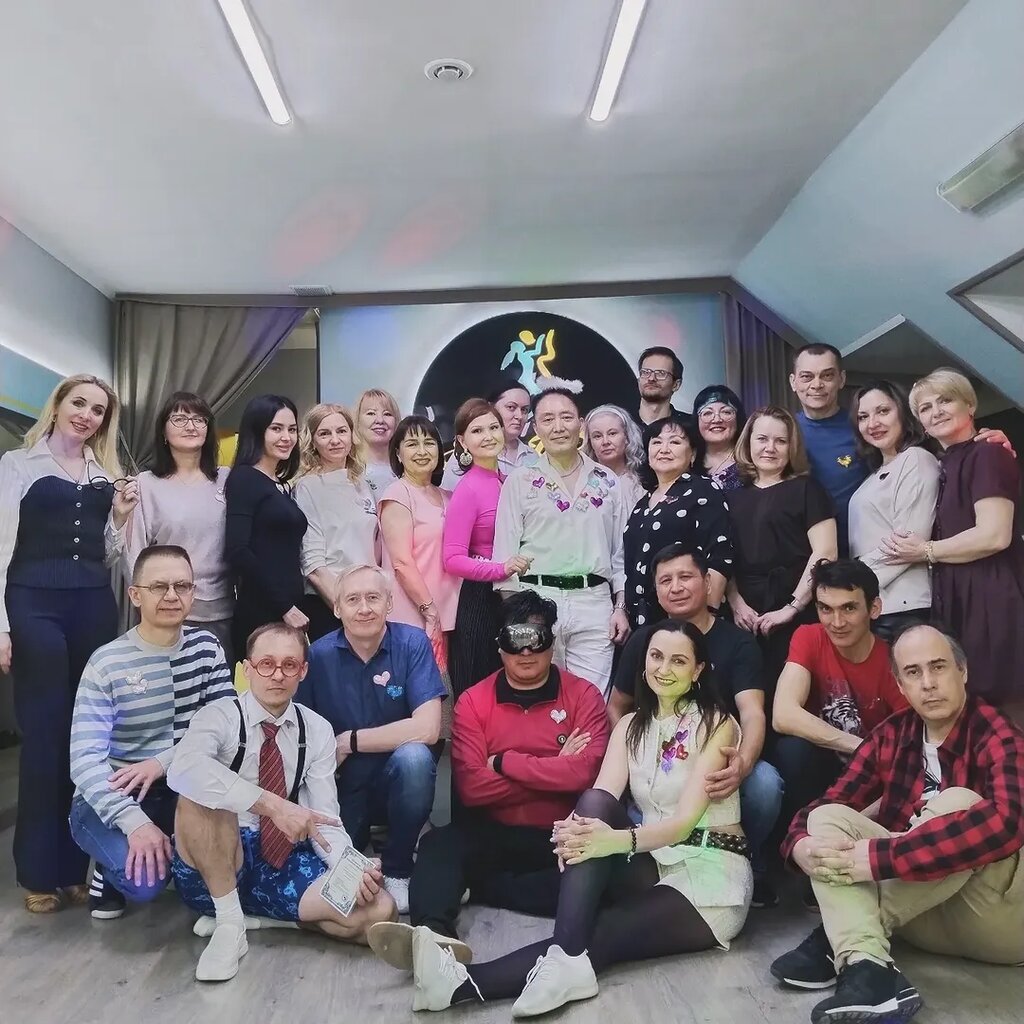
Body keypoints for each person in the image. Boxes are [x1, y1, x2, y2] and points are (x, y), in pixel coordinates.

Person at [397, 621, 751, 1015]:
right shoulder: (630, 726)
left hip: (708, 875)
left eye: (678, 661)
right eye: (656, 656)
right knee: (593, 805)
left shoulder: (717, 724)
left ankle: (458, 983)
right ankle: (558, 961)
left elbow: (684, 823)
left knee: (600, 934)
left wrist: (611, 841)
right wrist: (576, 833)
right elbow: (600, 796)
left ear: (698, 670)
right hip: (654, 863)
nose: (663, 668)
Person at [772, 624, 1024, 1024]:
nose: (928, 683)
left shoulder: (998, 734)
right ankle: (868, 967)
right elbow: (830, 801)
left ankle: (840, 937)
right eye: (913, 672)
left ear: (962, 672)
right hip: (920, 913)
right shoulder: (891, 734)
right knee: (825, 818)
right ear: (901, 686)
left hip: (995, 916)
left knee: (957, 801)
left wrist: (880, 859)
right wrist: (799, 844)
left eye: (938, 667)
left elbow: (1009, 822)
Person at [366, 590, 610, 968]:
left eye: (537, 639)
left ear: (552, 642)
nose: (526, 651)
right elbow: (473, 788)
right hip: (493, 832)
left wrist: (505, 763)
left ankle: (481, 888)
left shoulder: (584, 696)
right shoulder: (473, 701)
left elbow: (585, 775)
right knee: (438, 847)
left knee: (604, 880)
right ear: (499, 645)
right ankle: (432, 937)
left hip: (562, 836)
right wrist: (553, 768)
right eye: (515, 640)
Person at [168, 622, 397, 981]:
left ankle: (258, 920)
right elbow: (182, 770)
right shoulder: (219, 716)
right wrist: (273, 806)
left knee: (379, 910)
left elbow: (325, 820)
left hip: (280, 857)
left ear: (303, 671)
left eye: (289, 665)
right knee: (202, 796)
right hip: (216, 863)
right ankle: (229, 924)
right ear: (247, 670)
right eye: (266, 664)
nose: (277, 675)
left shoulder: (316, 730)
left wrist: (351, 868)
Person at [0, 373, 139, 912]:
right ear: (57, 406)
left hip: (91, 606)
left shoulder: (104, 475)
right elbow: (2, 546)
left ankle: (74, 866)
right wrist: (1, 625)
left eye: (97, 410)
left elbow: (107, 555)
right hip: (32, 603)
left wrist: (120, 519)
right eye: (78, 403)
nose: (86, 415)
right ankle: (39, 871)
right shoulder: (19, 464)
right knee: (44, 735)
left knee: (87, 737)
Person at [609, 542, 782, 908]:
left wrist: (743, 763)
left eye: (685, 577)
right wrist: (632, 758)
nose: (676, 587)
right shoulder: (644, 641)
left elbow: (752, 713)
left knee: (765, 784)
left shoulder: (737, 643)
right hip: (660, 766)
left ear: (707, 582)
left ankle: (744, 861)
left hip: (716, 764)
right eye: (665, 580)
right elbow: (617, 706)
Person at [69, 545, 234, 919]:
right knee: (145, 884)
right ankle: (108, 870)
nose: (172, 596)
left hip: (180, 785)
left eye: (182, 586)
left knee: (228, 858)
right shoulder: (107, 663)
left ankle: (171, 845)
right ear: (135, 595)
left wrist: (161, 762)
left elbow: (225, 727)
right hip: (114, 793)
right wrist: (134, 822)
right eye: (159, 586)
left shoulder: (207, 648)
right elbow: (84, 761)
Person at [298, 564, 446, 914]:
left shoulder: (412, 643)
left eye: (373, 598)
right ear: (337, 608)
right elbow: (302, 731)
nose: (364, 608)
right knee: (336, 878)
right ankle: (363, 853)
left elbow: (428, 728)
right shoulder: (317, 656)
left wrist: (350, 740)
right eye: (352, 600)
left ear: (389, 603)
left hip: (397, 778)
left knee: (415, 758)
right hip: (341, 784)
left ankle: (398, 869)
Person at [885, 368, 1024, 722]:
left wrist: (925, 551)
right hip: (960, 594)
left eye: (945, 400)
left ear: (970, 405)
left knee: (1005, 707)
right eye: (925, 407)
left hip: (993, 595)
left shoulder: (988, 454)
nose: (936, 411)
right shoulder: (945, 462)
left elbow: (994, 535)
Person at [492, 385, 629, 692]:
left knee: (591, 699)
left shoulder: (607, 481)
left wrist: (620, 606)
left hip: (593, 603)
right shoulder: (520, 480)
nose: (558, 427)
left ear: (580, 424)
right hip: (536, 600)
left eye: (566, 417)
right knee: (540, 698)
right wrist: (517, 615)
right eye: (547, 419)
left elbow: (620, 553)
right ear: (535, 428)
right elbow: (504, 554)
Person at [773, 559, 908, 834]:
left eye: (848, 608)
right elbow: (783, 715)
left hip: (873, 778)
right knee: (792, 751)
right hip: (826, 765)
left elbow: (909, 755)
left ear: (874, 608)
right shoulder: (809, 637)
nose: (836, 623)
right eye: (826, 609)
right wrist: (861, 747)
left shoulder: (895, 664)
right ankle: (800, 835)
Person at [726, 406, 837, 700]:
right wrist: (736, 603)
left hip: (797, 613)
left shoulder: (808, 489)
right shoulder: (731, 497)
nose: (770, 448)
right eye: (762, 439)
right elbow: (724, 558)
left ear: (792, 447)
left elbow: (825, 552)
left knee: (796, 701)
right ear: (748, 442)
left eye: (781, 441)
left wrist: (792, 607)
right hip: (744, 618)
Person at [126, 392, 234, 663]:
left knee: (217, 686)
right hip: (165, 610)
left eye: (199, 419)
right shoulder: (145, 484)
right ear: (163, 431)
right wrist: (145, 604)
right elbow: (134, 552)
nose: (191, 426)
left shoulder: (227, 479)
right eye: (179, 419)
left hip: (220, 612)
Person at [442, 399, 531, 699]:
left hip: (511, 594)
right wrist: (500, 569)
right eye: (477, 430)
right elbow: (452, 559)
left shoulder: (509, 481)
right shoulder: (467, 489)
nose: (488, 436)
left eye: (493, 427)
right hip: (480, 599)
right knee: (479, 691)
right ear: (461, 441)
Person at [847, 381, 939, 642]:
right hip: (877, 605)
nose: (873, 423)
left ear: (903, 412)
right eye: (863, 416)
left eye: (883, 411)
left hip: (904, 607)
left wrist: (851, 580)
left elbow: (909, 541)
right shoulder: (875, 472)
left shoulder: (916, 458)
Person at [623, 415, 734, 627]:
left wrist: (705, 619)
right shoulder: (643, 502)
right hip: (642, 619)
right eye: (656, 442)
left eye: (674, 442)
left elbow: (720, 555)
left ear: (693, 454)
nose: (664, 449)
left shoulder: (704, 490)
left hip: (690, 618)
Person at [224, 394, 309, 660]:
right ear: (257, 430)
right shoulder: (244, 479)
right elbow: (237, 550)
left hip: (289, 609)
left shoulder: (279, 484)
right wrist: (284, 607)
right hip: (263, 612)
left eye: (292, 429)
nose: (287, 437)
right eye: (276, 428)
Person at [293, 402, 377, 642]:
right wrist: (345, 608)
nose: (335, 440)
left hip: (367, 600)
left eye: (341, 431)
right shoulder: (308, 487)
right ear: (313, 441)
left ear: (352, 435)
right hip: (329, 604)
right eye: (324, 433)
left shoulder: (361, 483)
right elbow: (313, 565)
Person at [378, 415, 461, 654]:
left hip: (452, 617)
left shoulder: (449, 496)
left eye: (429, 443)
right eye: (412, 444)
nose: (422, 451)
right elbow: (402, 563)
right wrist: (429, 610)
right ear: (398, 453)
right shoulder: (397, 494)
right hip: (414, 617)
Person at [788, 344, 868, 556]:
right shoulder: (783, 432)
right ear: (793, 382)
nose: (817, 385)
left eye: (827, 375)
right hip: (795, 556)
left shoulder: (863, 428)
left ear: (841, 379)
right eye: (807, 377)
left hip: (855, 554)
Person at [440, 380, 538, 489]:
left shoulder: (532, 456)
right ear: (491, 407)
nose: (519, 416)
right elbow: (450, 497)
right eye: (511, 407)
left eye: (524, 410)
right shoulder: (466, 456)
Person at [582, 404, 645, 512]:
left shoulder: (644, 483)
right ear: (590, 442)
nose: (605, 442)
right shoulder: (581, 483)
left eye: (612, 433)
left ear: (627, 437)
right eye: (597, 436)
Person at [693, 384, 747, 492]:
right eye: (708, 413)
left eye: (726, 412)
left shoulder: (751, 461)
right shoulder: (686, 463)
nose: (717, 420)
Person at [355, 388, 400, 498]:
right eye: (371, 413)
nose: (380, 420)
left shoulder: (407, 469)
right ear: (358, 421)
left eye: (387, 414)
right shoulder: (348, 470)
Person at [635, 346, 685, 427]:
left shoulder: (689, 427)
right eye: (646, 372)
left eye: (661, 373)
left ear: (676, 385)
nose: (651, 378)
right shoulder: (620, 422)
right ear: (639, 380)